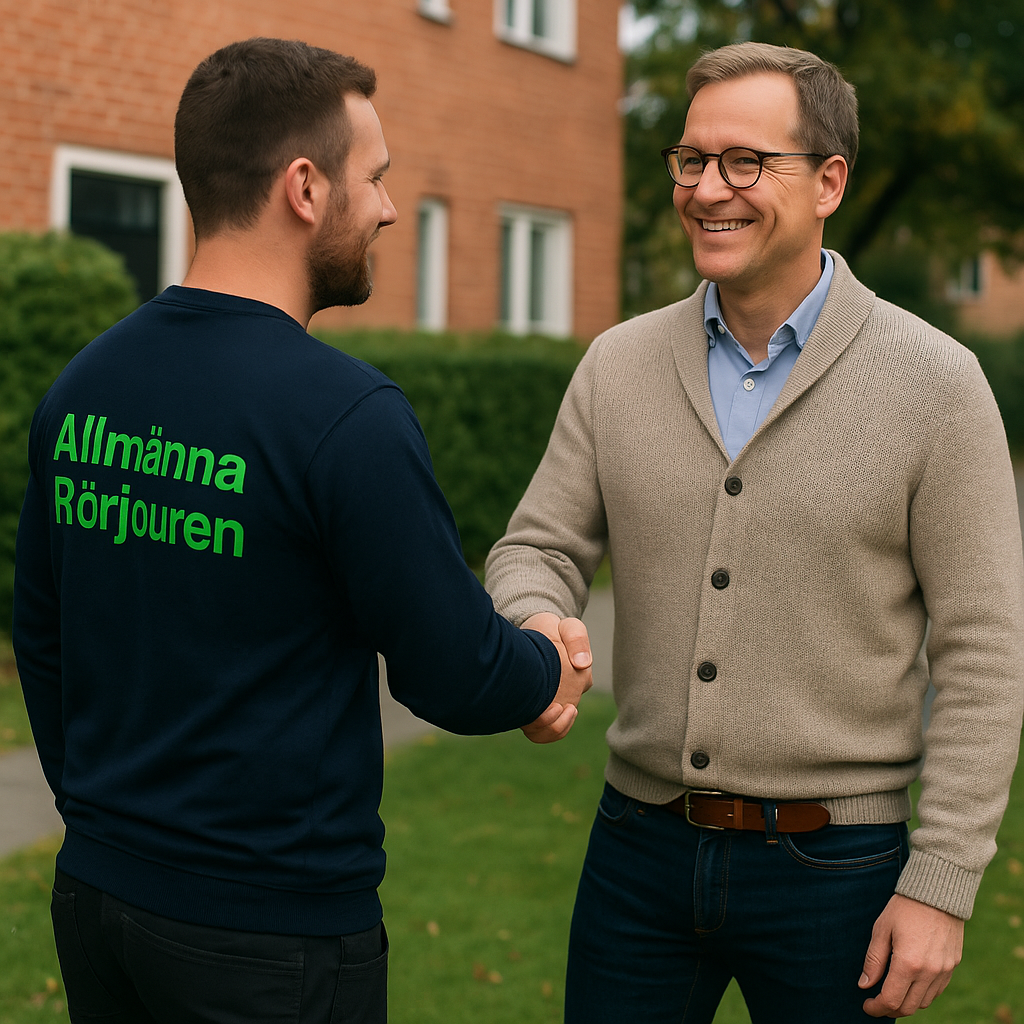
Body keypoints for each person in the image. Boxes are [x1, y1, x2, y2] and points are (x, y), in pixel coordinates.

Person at [13, 37, 591, 1024]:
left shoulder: (85, 385)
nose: (388, 208)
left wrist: (106, 818)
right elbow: (451, 666)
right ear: (304, 187)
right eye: (375, 178)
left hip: (98, 904)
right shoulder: (346, 415)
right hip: (268, 938)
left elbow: (43, 638)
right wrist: (548, 665)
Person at [486, 40, 1024, 1023]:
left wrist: (940, 880)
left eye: (745, 162)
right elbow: (537, 546)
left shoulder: (937, 384)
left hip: (840, 870)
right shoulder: (616, 364)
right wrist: (534, 620)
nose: (706, 188)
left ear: (828, 181)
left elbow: (985, 654)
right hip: (634, 850)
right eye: (691, 159)